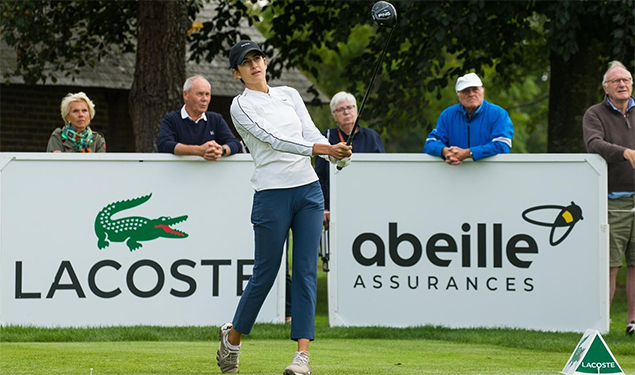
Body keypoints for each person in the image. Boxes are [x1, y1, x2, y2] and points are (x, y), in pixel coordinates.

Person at [216, 40, 352, 375]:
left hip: (308, 191)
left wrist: (339, 154)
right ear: (237, 73)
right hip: (272, 193)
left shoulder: (289, 94)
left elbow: (308, 132)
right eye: (246, 62)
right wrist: (322, 148)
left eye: (258, 58)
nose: (255, 64)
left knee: (306, 272)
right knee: (265, 272)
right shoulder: (240, 106)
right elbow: (274, 139)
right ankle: (232, 340)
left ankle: (302, 358)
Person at [582, 60, 635, 335]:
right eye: (616, 81)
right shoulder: (595, 114)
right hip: (613, 200)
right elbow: (594, 144)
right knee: (612, 265)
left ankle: (633, 323)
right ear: (605, 87)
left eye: (626, 79)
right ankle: (602, 325)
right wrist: (625, 152)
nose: (622, 84)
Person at [315, 91, 385, 227]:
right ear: (334, 116)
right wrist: (323, 207)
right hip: (335, 204)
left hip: (368, 203)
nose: (346, 112)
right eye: (340, 109)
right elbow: (320, 176)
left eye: (349, 108)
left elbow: (382, 172)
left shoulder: (372, 137)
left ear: (356, 110)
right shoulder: (327, 138)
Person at [423, 72, 514, 165]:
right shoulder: (447, 115)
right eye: (466, 91)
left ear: (483, 91)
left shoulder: (498, 114)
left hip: (491, 174)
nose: (471, 94)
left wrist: (468, 153)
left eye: (475, 89)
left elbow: (503, 145)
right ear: (458, 95)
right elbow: (430, 143)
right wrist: (445, 151)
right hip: (454, 174)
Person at [157, 75, 241, 160]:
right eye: (200, 94)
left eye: (207, 94)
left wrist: (221, 150)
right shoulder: (171, 120)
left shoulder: (216, 119)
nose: (204, 99)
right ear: (186, 95)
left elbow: (235, 144)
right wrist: (198, 150)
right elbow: (164, 145)